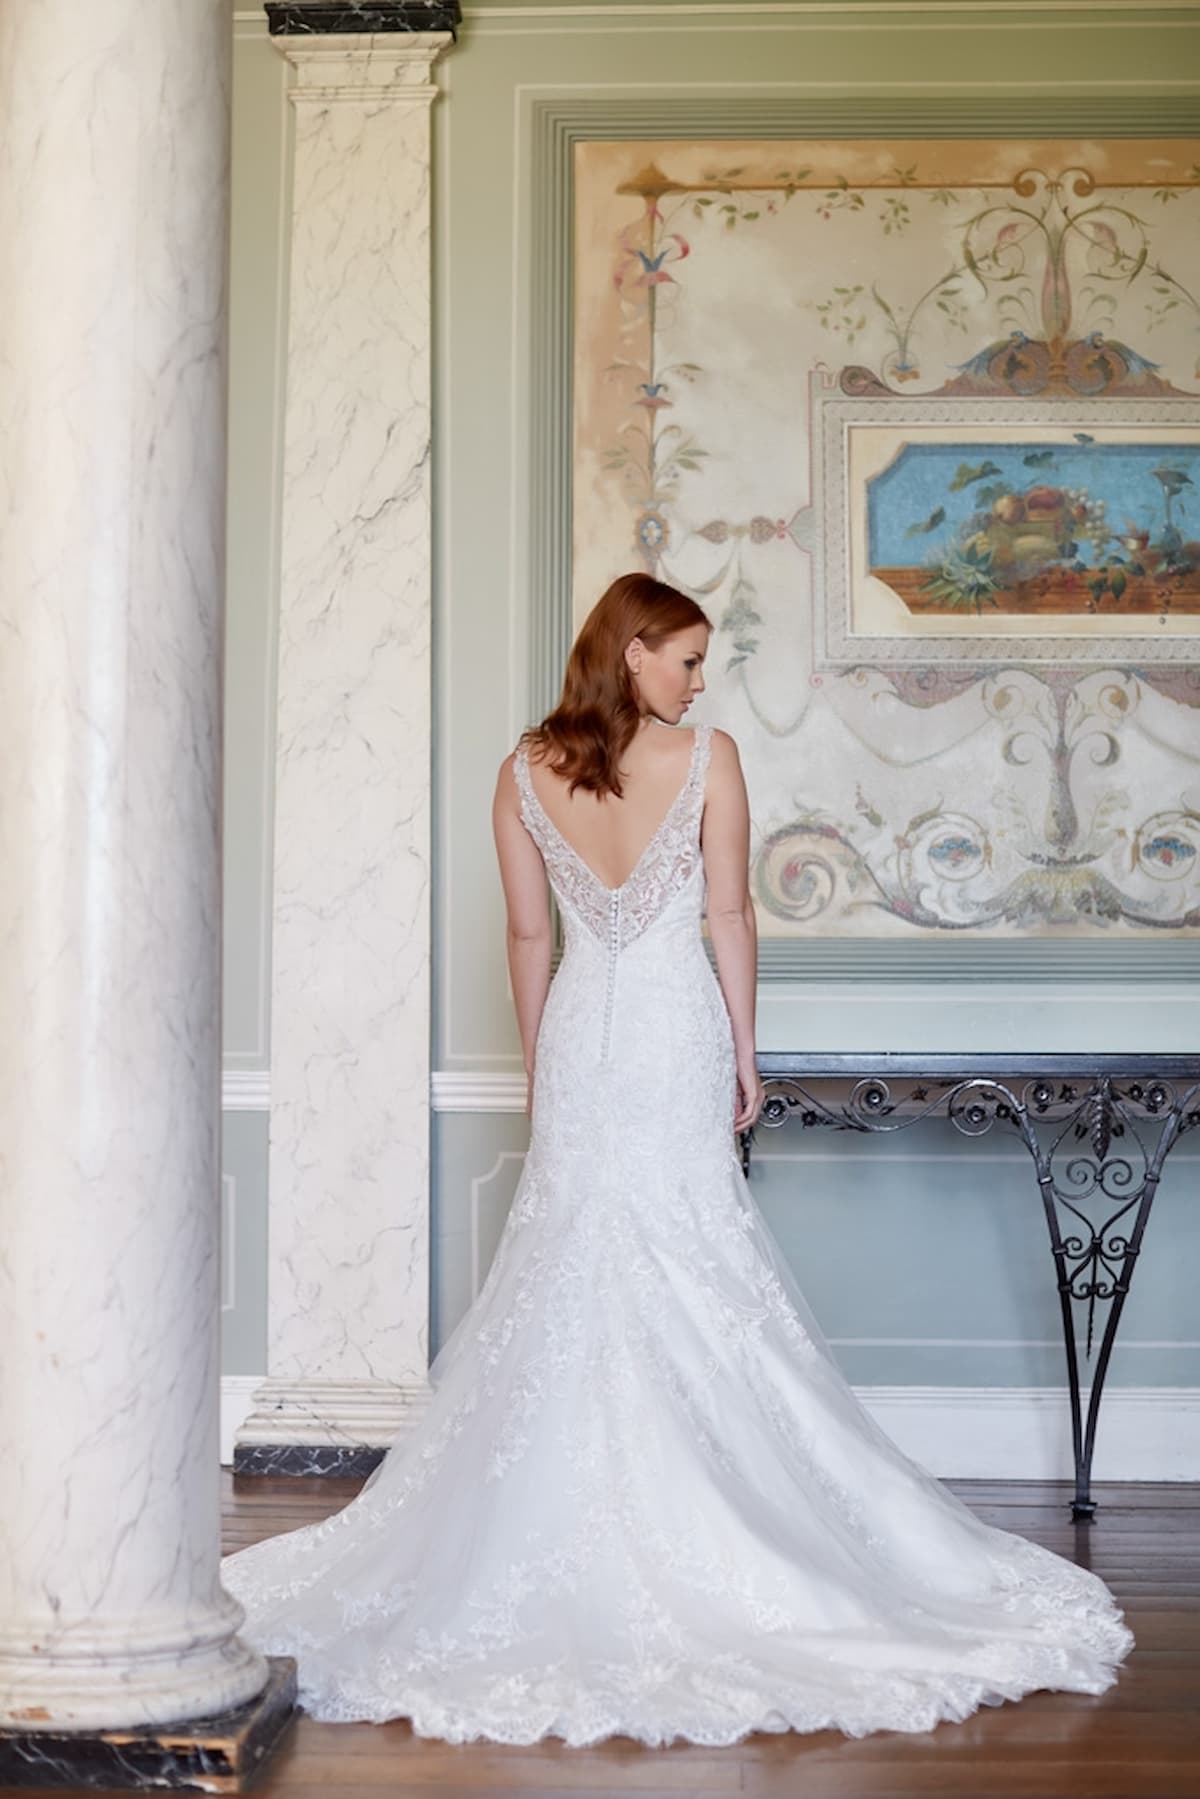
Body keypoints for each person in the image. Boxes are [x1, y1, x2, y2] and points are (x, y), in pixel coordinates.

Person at [220, 571, 1133, 1746]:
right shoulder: (709, 758)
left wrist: (546, 1068)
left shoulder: (520, 770)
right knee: (687, 1259)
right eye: (688, 659)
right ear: (634, 649)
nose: (702, 682)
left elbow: (527, 932)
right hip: (671, 1031)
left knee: (581, 1262)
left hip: (586, 1039)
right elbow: (729, 915)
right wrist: (748, 1051)